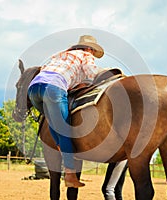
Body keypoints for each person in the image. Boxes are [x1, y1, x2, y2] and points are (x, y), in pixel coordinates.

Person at [28, 35, 104, 188]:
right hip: (54, 88)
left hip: (34, 88)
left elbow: (46, 71)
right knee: (64, 130)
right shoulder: (85, 55)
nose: (93, 55)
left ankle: (59, 147)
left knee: (53, 122)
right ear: (89, 48)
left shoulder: (60, 55)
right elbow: (92, 73)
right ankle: (70, 174)